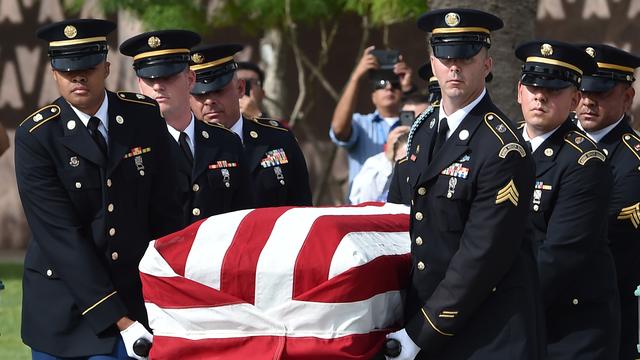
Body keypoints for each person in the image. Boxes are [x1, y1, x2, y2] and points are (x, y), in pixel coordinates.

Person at [15, 19, 184, 359]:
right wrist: (121, 321)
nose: (78, 77)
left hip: (137, 298)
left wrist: (170, 296)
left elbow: (167, 211)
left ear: (106, 67)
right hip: (64, 310)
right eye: (67, 70)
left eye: (88, 68)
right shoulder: (37, 136)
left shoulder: (143, 117)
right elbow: (61, 238)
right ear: (53, 73)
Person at [385, 9, 541, 359]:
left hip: (485, 333)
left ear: (486, 64)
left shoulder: (502, 149)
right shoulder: (422, 132)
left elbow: (480, 257)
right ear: (433, 61)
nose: (455, 67)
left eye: (467, 57)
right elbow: (400, 222)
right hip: (425, 323)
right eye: (446, 56)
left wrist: (421, 332)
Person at [516, 40, 619, 358]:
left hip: (568, 334)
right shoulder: (499, 148)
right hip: (514, 319)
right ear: (519, 91)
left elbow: (558, 258)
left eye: (555, 90)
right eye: (533, 86)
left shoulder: (585, 163)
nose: (541, 96)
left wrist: (492, 306)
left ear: (574, 99)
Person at [119, 30, 253, 225]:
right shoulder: (128, 147)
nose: (157, 86)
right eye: (149, 79)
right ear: (140, 84)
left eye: (167, 77)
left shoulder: (226, 142)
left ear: (190, 79)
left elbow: (244, 214)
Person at [574, 43, 640, 359]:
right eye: (582, 90)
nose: (587, 100)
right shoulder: (543, 144)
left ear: (628, 97)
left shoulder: (634, 160)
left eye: (600, 92)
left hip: (602, 318)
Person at [188, 44, 312, 207]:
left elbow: (302, 207)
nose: (210, 101)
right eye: (200, 94)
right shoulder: (183, 148)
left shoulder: (278, 139)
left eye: (218, 91)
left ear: (240, 88)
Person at [330, 45, 414, 188]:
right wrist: (356, 77)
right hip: (365, 206)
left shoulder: (414, 121)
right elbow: (338, 129)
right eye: (381, 84)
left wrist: (409, 90)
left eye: (395, 84)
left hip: (402, 206)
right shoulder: (361, 123)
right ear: (373, 97)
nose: (388, 88)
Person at [348, 128, 409, 204]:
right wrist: (387, 160)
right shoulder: (376, 167)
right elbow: (363, 204)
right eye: (404, 160)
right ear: (395, 157)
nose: (407, 166)